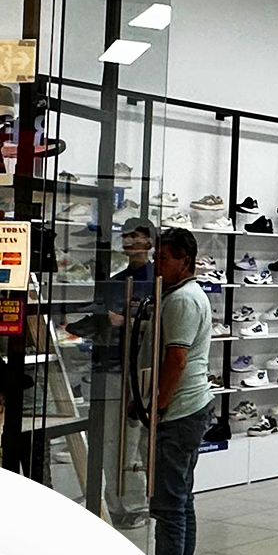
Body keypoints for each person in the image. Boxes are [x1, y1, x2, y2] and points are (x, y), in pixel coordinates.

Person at [146, 227, 214, 555]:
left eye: (164, 258)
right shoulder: (183, 295)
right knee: (182, 497)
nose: (157, 264)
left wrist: (158, 405)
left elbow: (176, 359)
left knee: (169, 502)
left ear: (185, 261)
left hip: (180, 410)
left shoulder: (182, 300)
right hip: (190, 407)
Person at [94, 218, 156, 524]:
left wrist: (127, 322)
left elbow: (159, 324)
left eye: (137, 236)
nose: (130, 241)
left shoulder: (156, 280)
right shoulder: (116, 281)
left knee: (135, 438)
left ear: (150, 242)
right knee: (114, 439)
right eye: (126, 236)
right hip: (114, 365)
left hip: (142, 368)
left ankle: (136, 504)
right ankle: (119, 502)